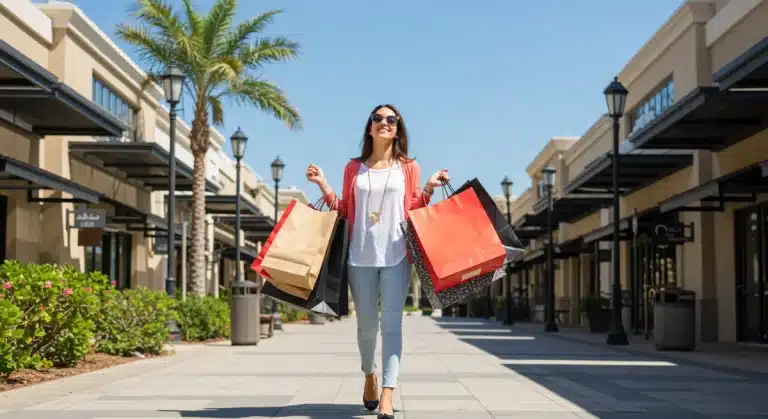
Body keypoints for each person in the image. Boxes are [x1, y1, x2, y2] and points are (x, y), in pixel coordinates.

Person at [306, 104, 449, 419]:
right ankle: (369, 374)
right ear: (369, 128)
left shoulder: (409, 166)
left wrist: (429, 188)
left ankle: (387, 392)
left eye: (391, 119)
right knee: (367, 326)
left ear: (397, 129)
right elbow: (344, 209)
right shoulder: (353, 168)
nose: (384, 123)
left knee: (392, 324)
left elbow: (413, 207)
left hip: (398, 254)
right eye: (378, 118)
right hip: (360, 255)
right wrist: (323, 186)